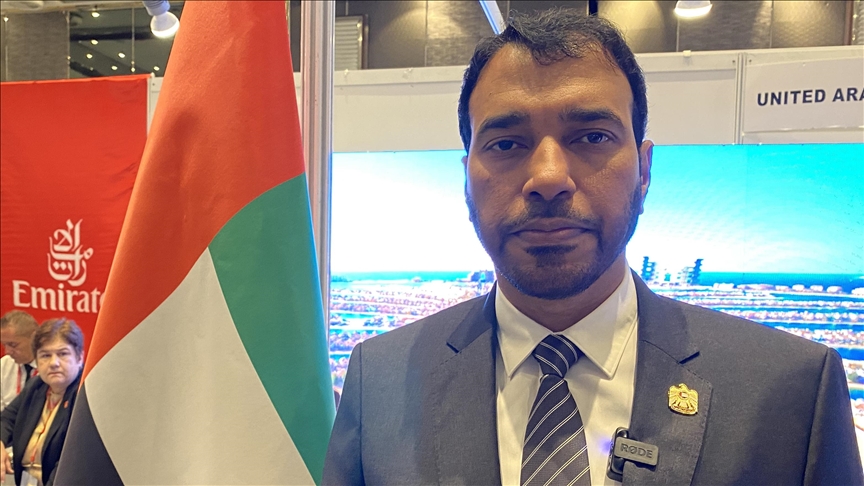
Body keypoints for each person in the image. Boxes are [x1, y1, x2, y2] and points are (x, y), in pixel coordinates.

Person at [322, 8, 863, 486]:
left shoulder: (790, 394)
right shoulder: (381, 384)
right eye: (506, 143)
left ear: (644, 171)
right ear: (467, 180)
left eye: (592, 137)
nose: (548, 177)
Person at [1, 319, 85, 486]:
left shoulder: (84, 396)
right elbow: (6, 420)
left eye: (63, 354)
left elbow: (73, 462)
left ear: (79, 358)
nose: (54, 363)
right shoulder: (36, 386)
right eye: (45, 355)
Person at [0, 311, 39, 412]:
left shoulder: (52, 368)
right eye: (4, 345)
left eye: (13, 345)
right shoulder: (3, 365)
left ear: (34, 338)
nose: (7, 351)